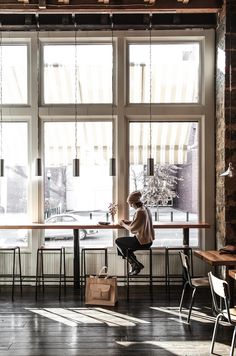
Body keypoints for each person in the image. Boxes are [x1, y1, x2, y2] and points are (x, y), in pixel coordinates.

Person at [115, 190, 155, 276]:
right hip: (148, 240)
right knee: (124, 249)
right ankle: (136, 265)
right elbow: (141, 222)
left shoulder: (140, 212)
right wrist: (129, 221)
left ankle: (136, 265)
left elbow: (132, 229)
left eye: (130, 203)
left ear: (133, 203)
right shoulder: (145, 208)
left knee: (118, 242)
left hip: (142, 241)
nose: (129, 205)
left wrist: (122, 224)